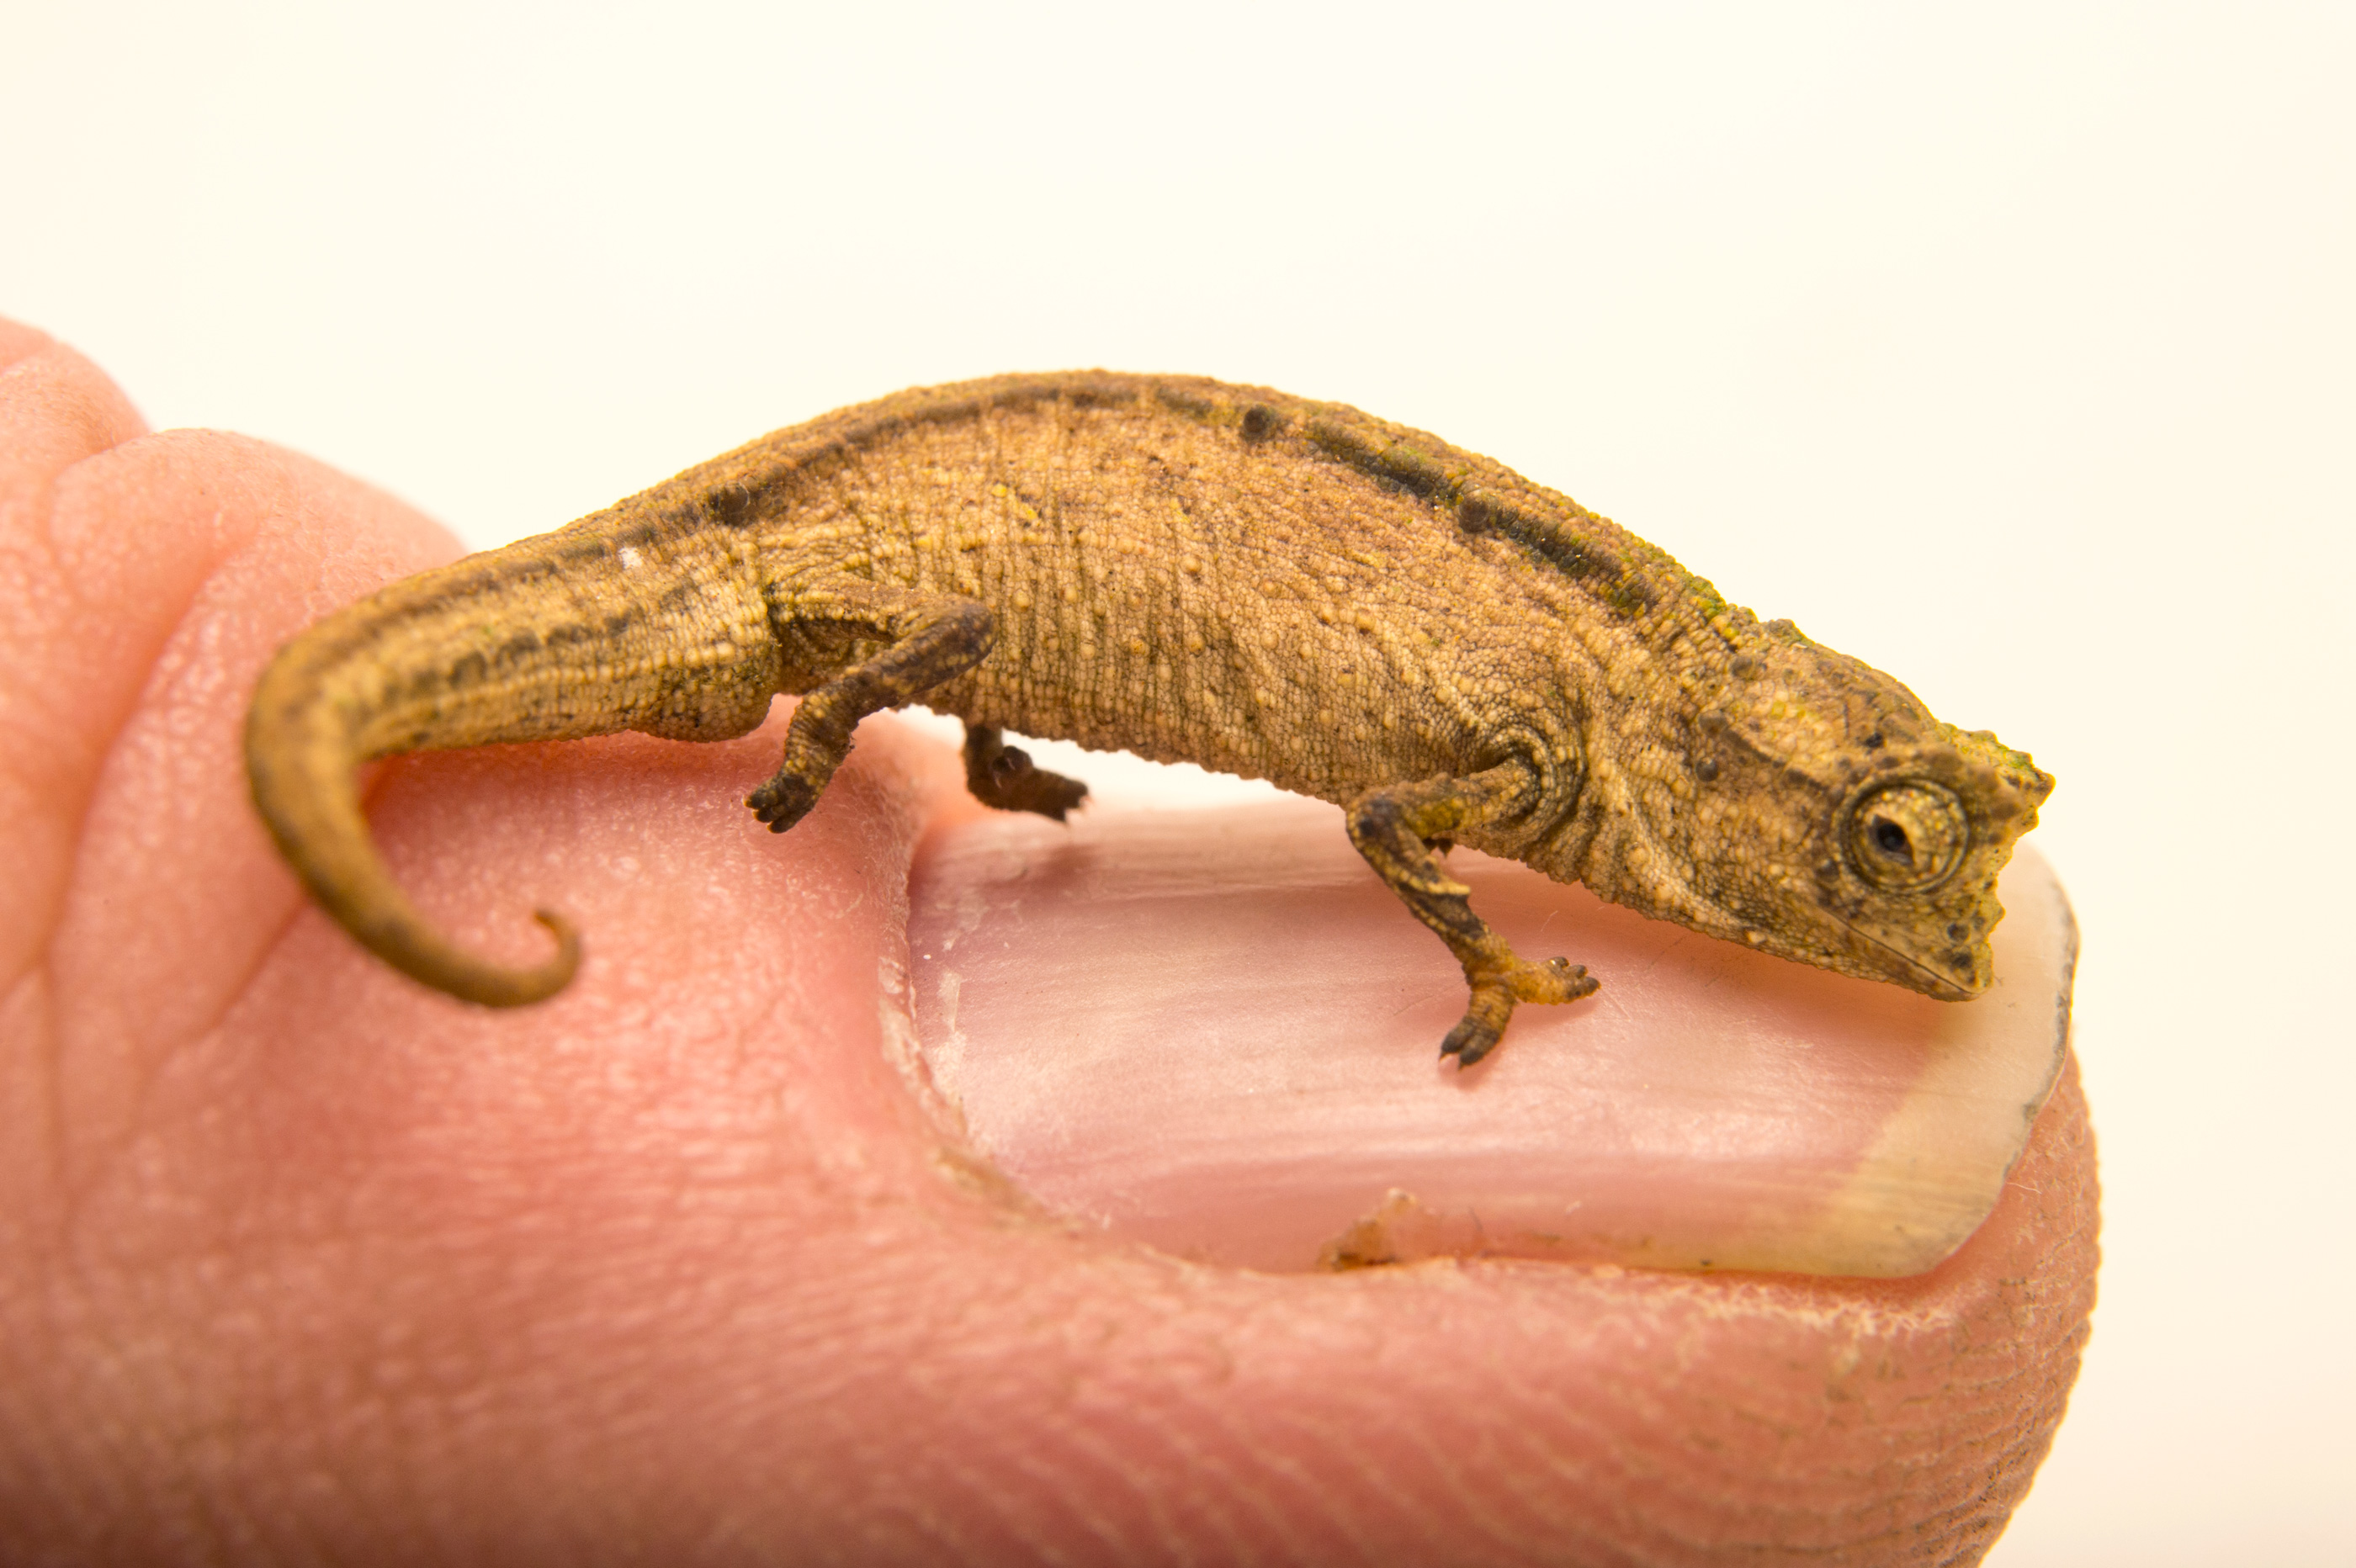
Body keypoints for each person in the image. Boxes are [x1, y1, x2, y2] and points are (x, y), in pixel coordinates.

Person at [0, 318, 2095, 1565]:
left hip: (919, 582)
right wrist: (1478, 968)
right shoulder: (1560, 743)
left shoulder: (1613, 714)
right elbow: (1378, 810)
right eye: (1873, 840)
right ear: (1740, 772)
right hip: (827, 572)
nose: (1902, 905)